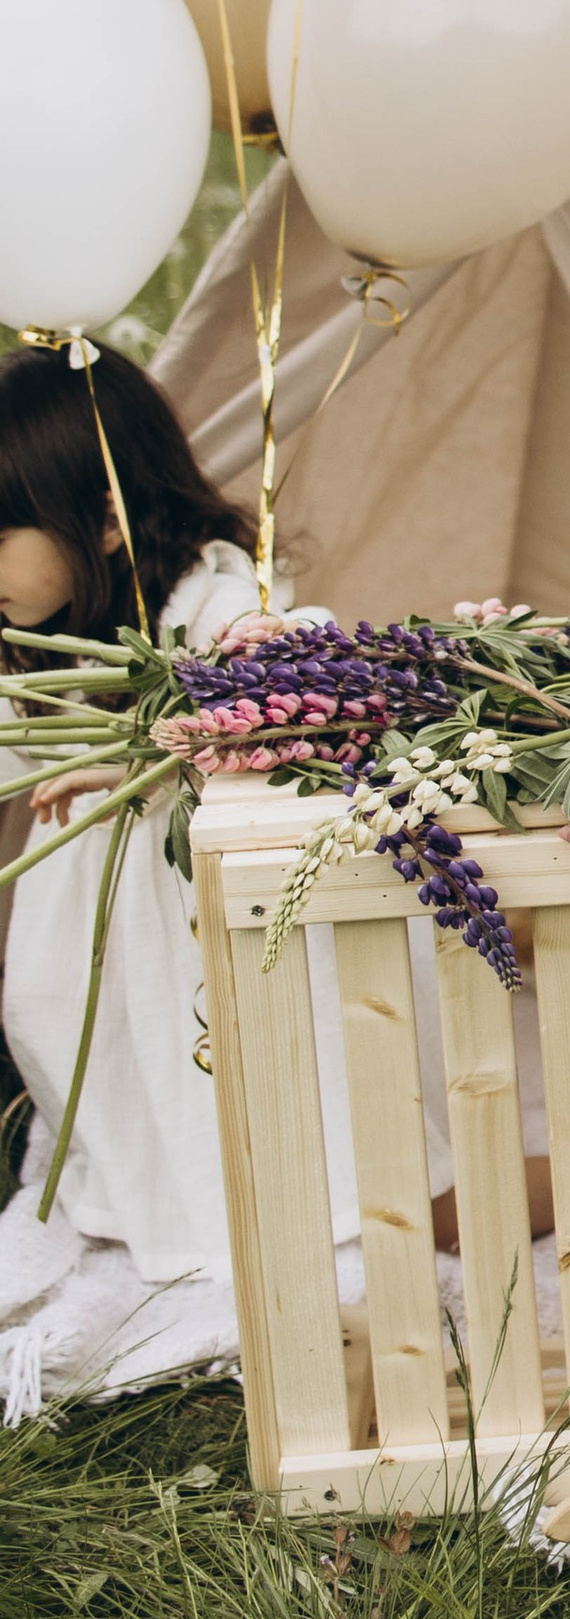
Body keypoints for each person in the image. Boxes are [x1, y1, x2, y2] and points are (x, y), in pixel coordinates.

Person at [0, 343, 294, 1410]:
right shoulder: (40, 637)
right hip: (90, 945)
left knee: (227, 1094)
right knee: (60, 1024)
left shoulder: (211, 604)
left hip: (202, 925)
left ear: (108, 518)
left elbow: (284, 687)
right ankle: (136, 1194)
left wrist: (147, 752)